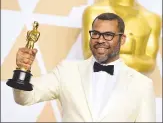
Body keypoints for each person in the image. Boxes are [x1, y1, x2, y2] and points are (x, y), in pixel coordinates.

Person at [13, 13, 156, 122]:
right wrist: (22, 69)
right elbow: (25, 98)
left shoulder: (142, 84)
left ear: (122, 39)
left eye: (108, 35)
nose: (100, 40)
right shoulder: (67, 70)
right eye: (96, 34)